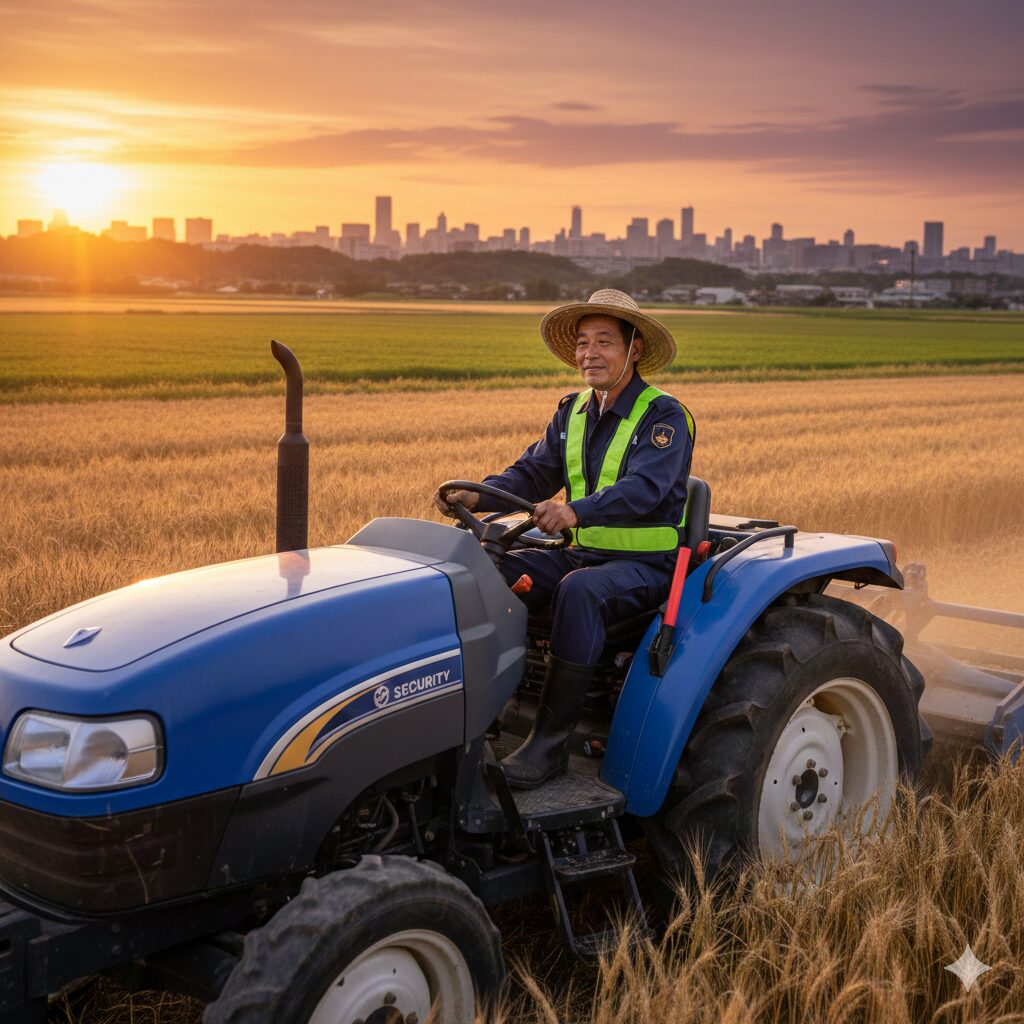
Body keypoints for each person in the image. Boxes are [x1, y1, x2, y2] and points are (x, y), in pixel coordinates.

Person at [433, 289, 694, 789]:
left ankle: (549, 745)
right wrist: (479, 495)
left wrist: (575, 510)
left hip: (647, 567)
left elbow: (644, 490)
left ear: (634, 348)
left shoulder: (664, 418)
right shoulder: (572, 411)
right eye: (581, 343)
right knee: (484, 569)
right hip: (581, 553)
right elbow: (534, 472)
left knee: (581, 590)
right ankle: (481, 715)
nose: (589, 354)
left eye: (603, 342)